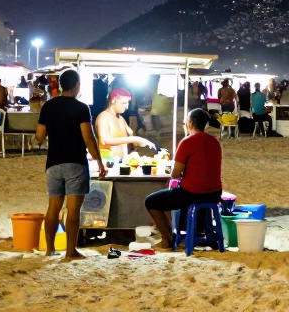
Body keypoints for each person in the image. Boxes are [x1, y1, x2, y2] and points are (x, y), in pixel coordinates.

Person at [34, 69, 106, 260]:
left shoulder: (48, 107)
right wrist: (99, 161)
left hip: (54, 163)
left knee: (53, 208)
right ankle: (70, 251)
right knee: (73, 210)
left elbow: (39, 136)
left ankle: (50, 250)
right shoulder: (81, 108)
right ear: (77, 86)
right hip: (75, 162)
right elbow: (88, 138)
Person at [145, 108, 223, 251]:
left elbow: (175, 174)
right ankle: (171, 237)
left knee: (151, 201)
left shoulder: (187, 142)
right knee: (171, 195)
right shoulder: (214, 142)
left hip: (193, 193)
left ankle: (169, 238)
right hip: (215, 193)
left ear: (191, 123)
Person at [95, 88, 156, 159]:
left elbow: (129, 138)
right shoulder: (103, 117)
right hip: (108, 163)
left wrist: (137, 143)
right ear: (114, 100)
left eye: (128, 103)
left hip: (123, 162)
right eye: (123, 103)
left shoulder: (121, 118)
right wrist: (135, 139)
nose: (127, 107)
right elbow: (105, 140)